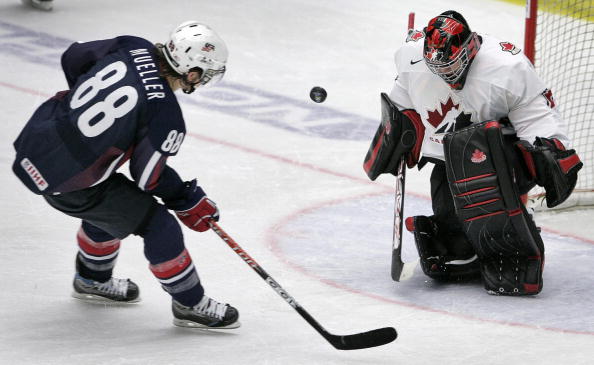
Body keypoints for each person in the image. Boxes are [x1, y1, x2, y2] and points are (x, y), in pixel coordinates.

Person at [12, 21, 240, 329]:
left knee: (113, 205)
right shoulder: (166, 114)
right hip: (70, 183)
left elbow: (73, 57)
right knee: (159, 226)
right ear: (192, 73)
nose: (203, 82)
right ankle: (191, 304)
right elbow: (148, 179)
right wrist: (185, 198)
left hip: (37, 142)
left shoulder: (132, 45)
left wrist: (83, 115)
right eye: (206, 75)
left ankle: (92, 280)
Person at [363, 10, 582, 296]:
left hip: (503, 156)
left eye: (451, 65)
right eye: (437, 67)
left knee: (479, 177)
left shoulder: (507, 67)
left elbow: (535, 114)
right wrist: (400, 126)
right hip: (449, 155)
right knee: (450, 216)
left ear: (470, 48)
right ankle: (464, 248)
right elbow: (402, 99)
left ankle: (516, 236)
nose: (445, 73)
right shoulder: (411, 57)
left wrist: (549, 147)